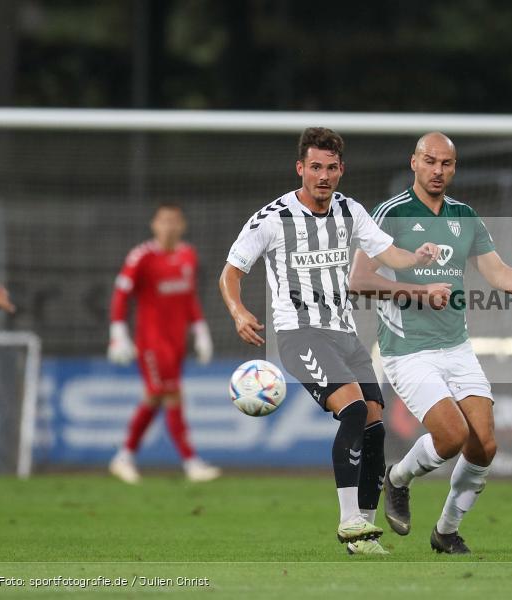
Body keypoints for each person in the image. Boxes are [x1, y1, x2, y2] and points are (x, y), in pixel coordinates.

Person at [350, 132, 512, 554]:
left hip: (457, 348)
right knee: (451, 436)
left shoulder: (465, 217)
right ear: (414, 162)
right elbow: (358, 281)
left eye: (446, 163)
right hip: (408, 351)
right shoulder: (390, 214)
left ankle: (446, 531)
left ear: (454, 168)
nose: (437, 170)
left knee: (484, 445)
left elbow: (500, 275)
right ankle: (397, 479)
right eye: (430, 161)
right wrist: (420, 293)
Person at [219, 127, 439, 556]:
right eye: (315, 167)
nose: (323, 176)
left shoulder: (350, 211)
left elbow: (387, 252)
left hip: (344, 334)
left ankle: (365, 535)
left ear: (341, 170)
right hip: (299, 334)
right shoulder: (273, 218)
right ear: (300, 168)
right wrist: (239, 311)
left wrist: (415, 257)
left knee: (375, 423)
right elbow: (231, 273)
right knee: (353, 409)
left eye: (331, 168)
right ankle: (348, 519)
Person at [107, 203, 220, 484]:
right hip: (152, 341)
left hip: (176, 341)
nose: (169, 226)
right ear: (154, 225)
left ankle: (124, 456)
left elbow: (189, 297)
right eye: (163, 221)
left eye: (174, 221)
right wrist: (118, 332)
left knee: (155, 396)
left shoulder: (188, 254)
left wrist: (201, 330)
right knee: (170, 395)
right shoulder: (141, 257)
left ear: (182, 225)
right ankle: (191, 462)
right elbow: (121, 295)